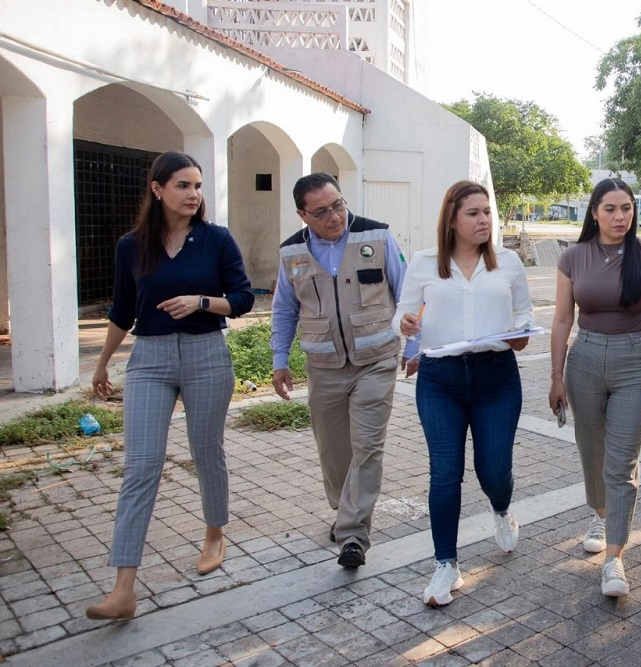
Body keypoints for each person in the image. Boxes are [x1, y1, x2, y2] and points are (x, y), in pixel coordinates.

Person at [86, 151, 254, 620]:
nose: (193, 194)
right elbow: (123, 310)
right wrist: (101, 365)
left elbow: (242, 298)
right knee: (141, 466)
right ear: (157, 189)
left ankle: (215, 533)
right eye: (182, 185)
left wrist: (201, 301)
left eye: (197, 186)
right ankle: (123, 588)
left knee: (206, 452)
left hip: (206, 356)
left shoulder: (217, 240)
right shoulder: (131, 246)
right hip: (150, 361)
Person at [393, 180, 532, 607]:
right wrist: (407, 326)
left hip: (496, 378)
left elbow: (523, 328)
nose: (484, 220)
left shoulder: (508, 263)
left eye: (487, 212)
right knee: (444, 473)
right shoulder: (423, 263)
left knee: (493, 469)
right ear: (452, 219)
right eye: (473, 213)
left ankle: (501, 508)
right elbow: (403, 315)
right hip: (440, 379)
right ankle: (446, 565)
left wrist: (517, 335)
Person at [271, 173, 415, 568]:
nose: (334, 216)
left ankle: (353, 534)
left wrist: (415, 346)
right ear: (303, 214)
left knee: (367, 446)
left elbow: (406, 294)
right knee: (334, 453)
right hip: (324, 366)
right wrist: (279, 360)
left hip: (376, 361)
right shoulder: (291, 254)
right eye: (321, 212)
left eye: (338, 205)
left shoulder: (378, 237)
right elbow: (284, 310)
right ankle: (344, 509)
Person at [548, 177, 641, 598]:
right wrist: (555, 375)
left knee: (622, 461)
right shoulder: (573, 257)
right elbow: (562, 319)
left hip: (634, 364)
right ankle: (601, 515)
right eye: (611, 208)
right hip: (583, 361)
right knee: (592, 452)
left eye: (627, 208)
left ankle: (614, 560)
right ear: (594, 212)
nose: (620, 216)